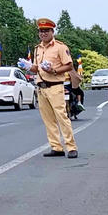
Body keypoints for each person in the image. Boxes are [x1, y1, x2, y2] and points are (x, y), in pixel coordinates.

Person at [27, 18, 78, 158]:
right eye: (41, 31)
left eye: (46, 31)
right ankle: (56, 147)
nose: (43, 34)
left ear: (52, 31)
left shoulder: (60, 47)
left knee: (62, 117)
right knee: (48, 119)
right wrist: (28, 67)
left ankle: (71, 147)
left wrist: (54, 71)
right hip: (41, 87)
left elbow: (69, 65)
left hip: (55, 86)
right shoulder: (37, 48)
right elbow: (36, 68)